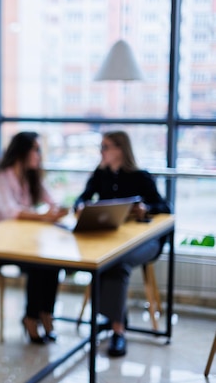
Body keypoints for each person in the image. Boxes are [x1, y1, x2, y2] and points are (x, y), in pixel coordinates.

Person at [74, 130, 171, 357]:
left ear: (120, 150)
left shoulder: (141, 176)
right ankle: (111, 318)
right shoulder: (100, 175)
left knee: (117, 264)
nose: (102, 152)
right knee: (100, 261)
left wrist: (146, 209)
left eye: (105, 147)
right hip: (112, 240)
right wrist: (79, 206)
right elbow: (82, 198)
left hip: (146, 242)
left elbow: (165, 207)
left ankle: (118, 330)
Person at [0, 131, 68, 344]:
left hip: (20, 239)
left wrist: (57, 210)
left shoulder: (32, 176)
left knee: (51, 260)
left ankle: (46, 313)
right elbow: (11, 211)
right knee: (39, 262)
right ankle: (31, 317)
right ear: (23, 151)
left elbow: (51, 200)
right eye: (36, 149)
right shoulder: (0, 177)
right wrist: (44, 215)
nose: (39, 154)